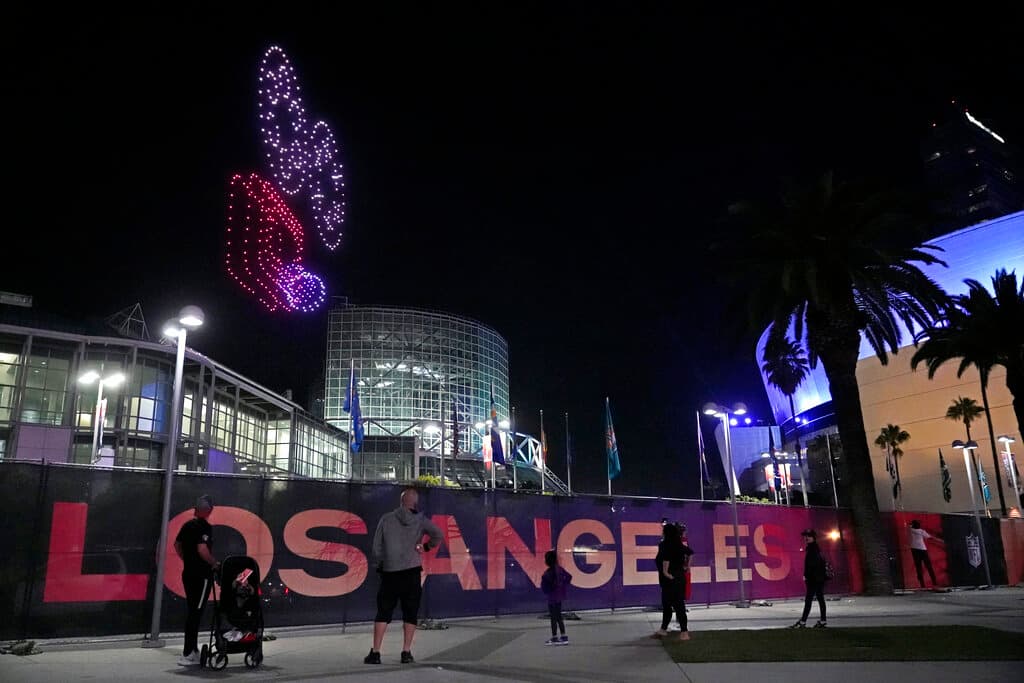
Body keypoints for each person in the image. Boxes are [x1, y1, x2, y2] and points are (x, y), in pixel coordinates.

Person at [364, 488, 443, 665]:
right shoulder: (420, 520)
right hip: (412, 572)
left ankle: (375, 653)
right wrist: (425, 547)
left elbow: (376, 548)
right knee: (410, 612)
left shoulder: (386, 519)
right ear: (415, 503)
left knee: (383, 612)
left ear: (401, 502)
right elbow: (438, 534)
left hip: (390, 572)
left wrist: (383, 562)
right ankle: (406, 652)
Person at [173, 495, 219, 666]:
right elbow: (202, 549)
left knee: (192, 610)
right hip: (202, 576)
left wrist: (186, 559)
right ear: (208, 510)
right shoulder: (204, 527)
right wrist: (214, 563)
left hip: (189, 573)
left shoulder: (187, 526)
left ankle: (192, 650)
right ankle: (188, 653)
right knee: (196, 613)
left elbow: (177, 545)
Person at [653, 522, 693, 640]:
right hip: (676, 578)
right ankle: (664, 629)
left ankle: (684, 631)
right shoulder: (678, 544)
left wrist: (666, 573)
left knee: (676, 604)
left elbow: (666, 559)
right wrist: (687, 566)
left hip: (671, 578)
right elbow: (690, 553)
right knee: (670, 604)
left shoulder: (665, 545)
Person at [790, 528, 827, 628]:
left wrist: (807, 576)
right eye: (805, 536)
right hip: (818, 578)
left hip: (814, 579)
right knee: (820, 598)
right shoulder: (815, 548)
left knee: (809, 600)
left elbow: (812, 565)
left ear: (813, 538)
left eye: (808, 536)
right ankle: (822, 620)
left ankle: (803, 621)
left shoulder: (813, 549)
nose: (806, 538)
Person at [541, 550, 572, 645]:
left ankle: (555, 637)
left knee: (553, 617)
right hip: (559, 596)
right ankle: (563, 636)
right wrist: (563, 585)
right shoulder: (560, 569)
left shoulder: (548, 573)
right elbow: (569, 577)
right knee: (559, 616)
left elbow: (545, 587)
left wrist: (550, 589)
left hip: (552, 597)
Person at [909, 519, 943, 588]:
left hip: (914, 549)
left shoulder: (910, 530)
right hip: (922, 549)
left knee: (918, 567)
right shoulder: (921, 531)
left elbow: (909, 525)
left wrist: (911, 525)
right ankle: (934, 582)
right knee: (928, 566)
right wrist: (940, 540)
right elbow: (931, 538)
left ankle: (922, 584)